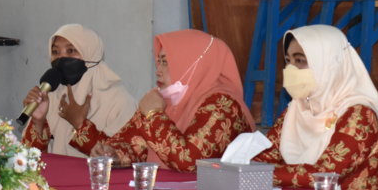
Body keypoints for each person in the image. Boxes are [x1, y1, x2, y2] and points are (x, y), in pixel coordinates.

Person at [87, 29, 254, 171]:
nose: (158, 71)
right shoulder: (167, 98)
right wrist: (113, 153)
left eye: (166, 63)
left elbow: (190, 162)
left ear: (192, 65)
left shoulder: (223, 104)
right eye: (158, 62)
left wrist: (154, 115)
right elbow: (134, 143)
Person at [252, 24, 378, 190]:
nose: (290, 69)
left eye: (300, 61)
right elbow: (265, 154)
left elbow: (326, 173)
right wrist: (239, 166)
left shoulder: (360, 114)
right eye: (288, 61)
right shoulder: (298, 107)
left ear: (330, 64)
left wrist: (256, 172)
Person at [21, 23, 137, 158]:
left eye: (71, 51)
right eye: (55, 52)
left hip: (93, 172)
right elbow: (28, 158)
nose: (61, 58)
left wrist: (80, 124)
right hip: (54, 172)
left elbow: (123, 157)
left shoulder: (119, 101)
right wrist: (38, 122)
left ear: (91, 53)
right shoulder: (50, 95)